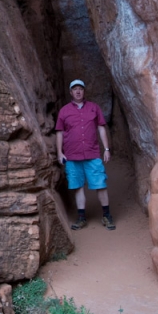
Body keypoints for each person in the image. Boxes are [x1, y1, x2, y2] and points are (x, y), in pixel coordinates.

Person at [55, 79, 115, 230]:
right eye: (74, 89)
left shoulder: (94, 108)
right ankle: (81, 218)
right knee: (78, 186)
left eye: (80, 89)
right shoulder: (64, 111)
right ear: (70, 92)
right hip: (72, 155)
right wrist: (59, 152)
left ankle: (107, 216)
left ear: (84, 91)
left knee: (100, 184)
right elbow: (60, 132)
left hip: (92, 153)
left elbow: (101, 128)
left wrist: (106, 149)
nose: (78, 91)